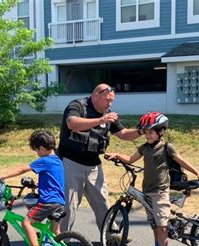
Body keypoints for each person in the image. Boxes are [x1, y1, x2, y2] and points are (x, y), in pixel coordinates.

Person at [105, 112, 199, 246]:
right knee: (153, 223)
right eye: (145, 132)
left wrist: (197, 172)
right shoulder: (145, 147)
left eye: (151, 131)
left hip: (160, 191)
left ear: (161, 131)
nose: (147, 134)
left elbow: (181, 160)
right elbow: (131, 159)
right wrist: (117, 155)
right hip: (147, 190)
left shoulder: (166, 147)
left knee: (162, 225)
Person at [58, 84, 141, 237]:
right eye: (108, 100)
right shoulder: (78, 106)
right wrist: (100, 119)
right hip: (71, 162)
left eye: (112, 101)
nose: (110, 104)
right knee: (70, 205)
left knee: (102, 202)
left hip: (94, 164)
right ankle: (62, 239)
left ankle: (110, 235)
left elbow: (123, 133)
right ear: (97, 95)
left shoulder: (107, 114)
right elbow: (72, 123)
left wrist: (141, 130)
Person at [0, 130, 65, 246]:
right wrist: (36, 186)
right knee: (55, 230)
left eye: (36, 150)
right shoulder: (57, 160)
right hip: (59, 201)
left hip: (48, 201)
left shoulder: (44, 160)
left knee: (26, 222)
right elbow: (52, 180)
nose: (37, 153)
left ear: (41, 148)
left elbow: (23, 169)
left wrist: (3, 176)